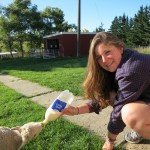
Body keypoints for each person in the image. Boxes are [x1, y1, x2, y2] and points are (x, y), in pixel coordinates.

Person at [62, 32, 150, 150]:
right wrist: (76, 110)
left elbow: (119, 110)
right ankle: (142, 130)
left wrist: (110, 141)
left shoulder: (131, 68)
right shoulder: (119, 64)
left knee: (130, 113)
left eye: (107, 52)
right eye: (98, 57)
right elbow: (105, 97)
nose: (104, 60)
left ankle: (142, 129)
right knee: (114, 96)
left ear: (120, 48)